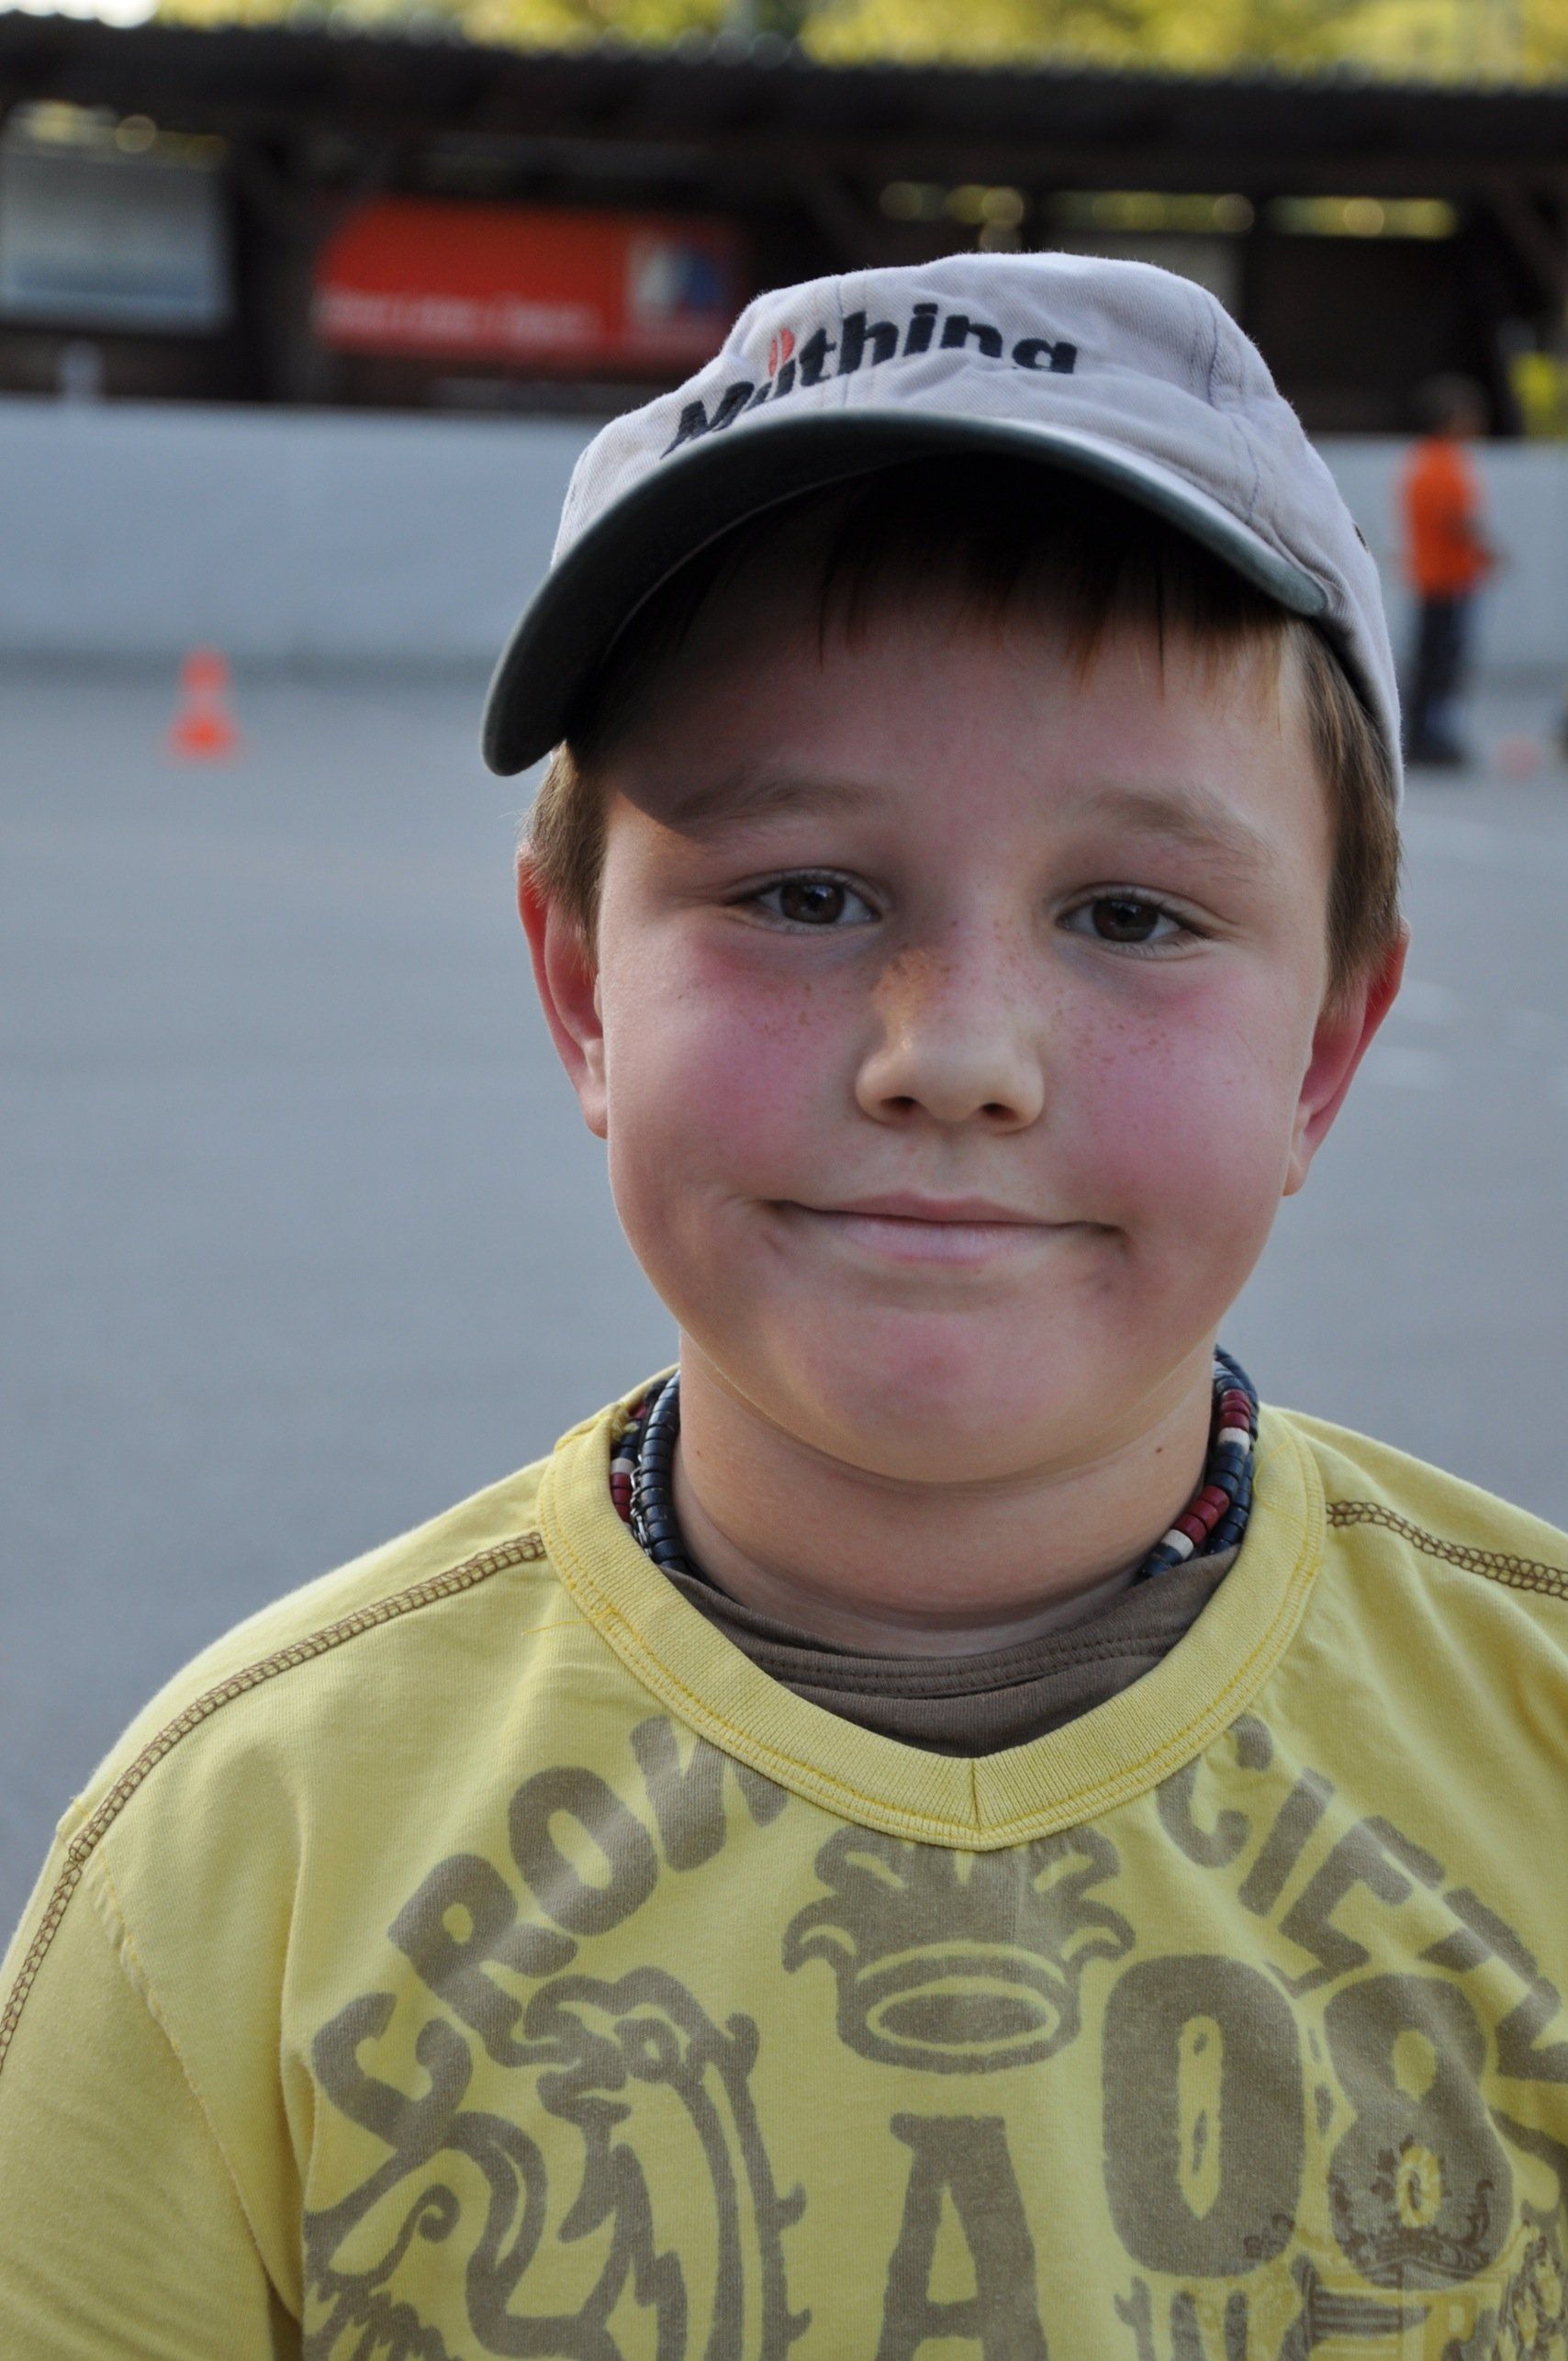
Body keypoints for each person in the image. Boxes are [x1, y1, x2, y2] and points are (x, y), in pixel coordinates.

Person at [2, 254, 1564, 2358]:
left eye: (1129, 913)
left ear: (1323, 1050)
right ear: (581, 989)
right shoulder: (236, 1854)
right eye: (803, 893)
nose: (955, 1053)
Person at [1399, 374, 1495, 767]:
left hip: (1430, 577)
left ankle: (1420, 735)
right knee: (1442, 665)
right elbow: (1456, 519)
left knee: (1429, 662)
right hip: (1449, 580)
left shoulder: (1421, 460)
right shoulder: (1445, 464)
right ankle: (1431, 738)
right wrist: (1489, 551)